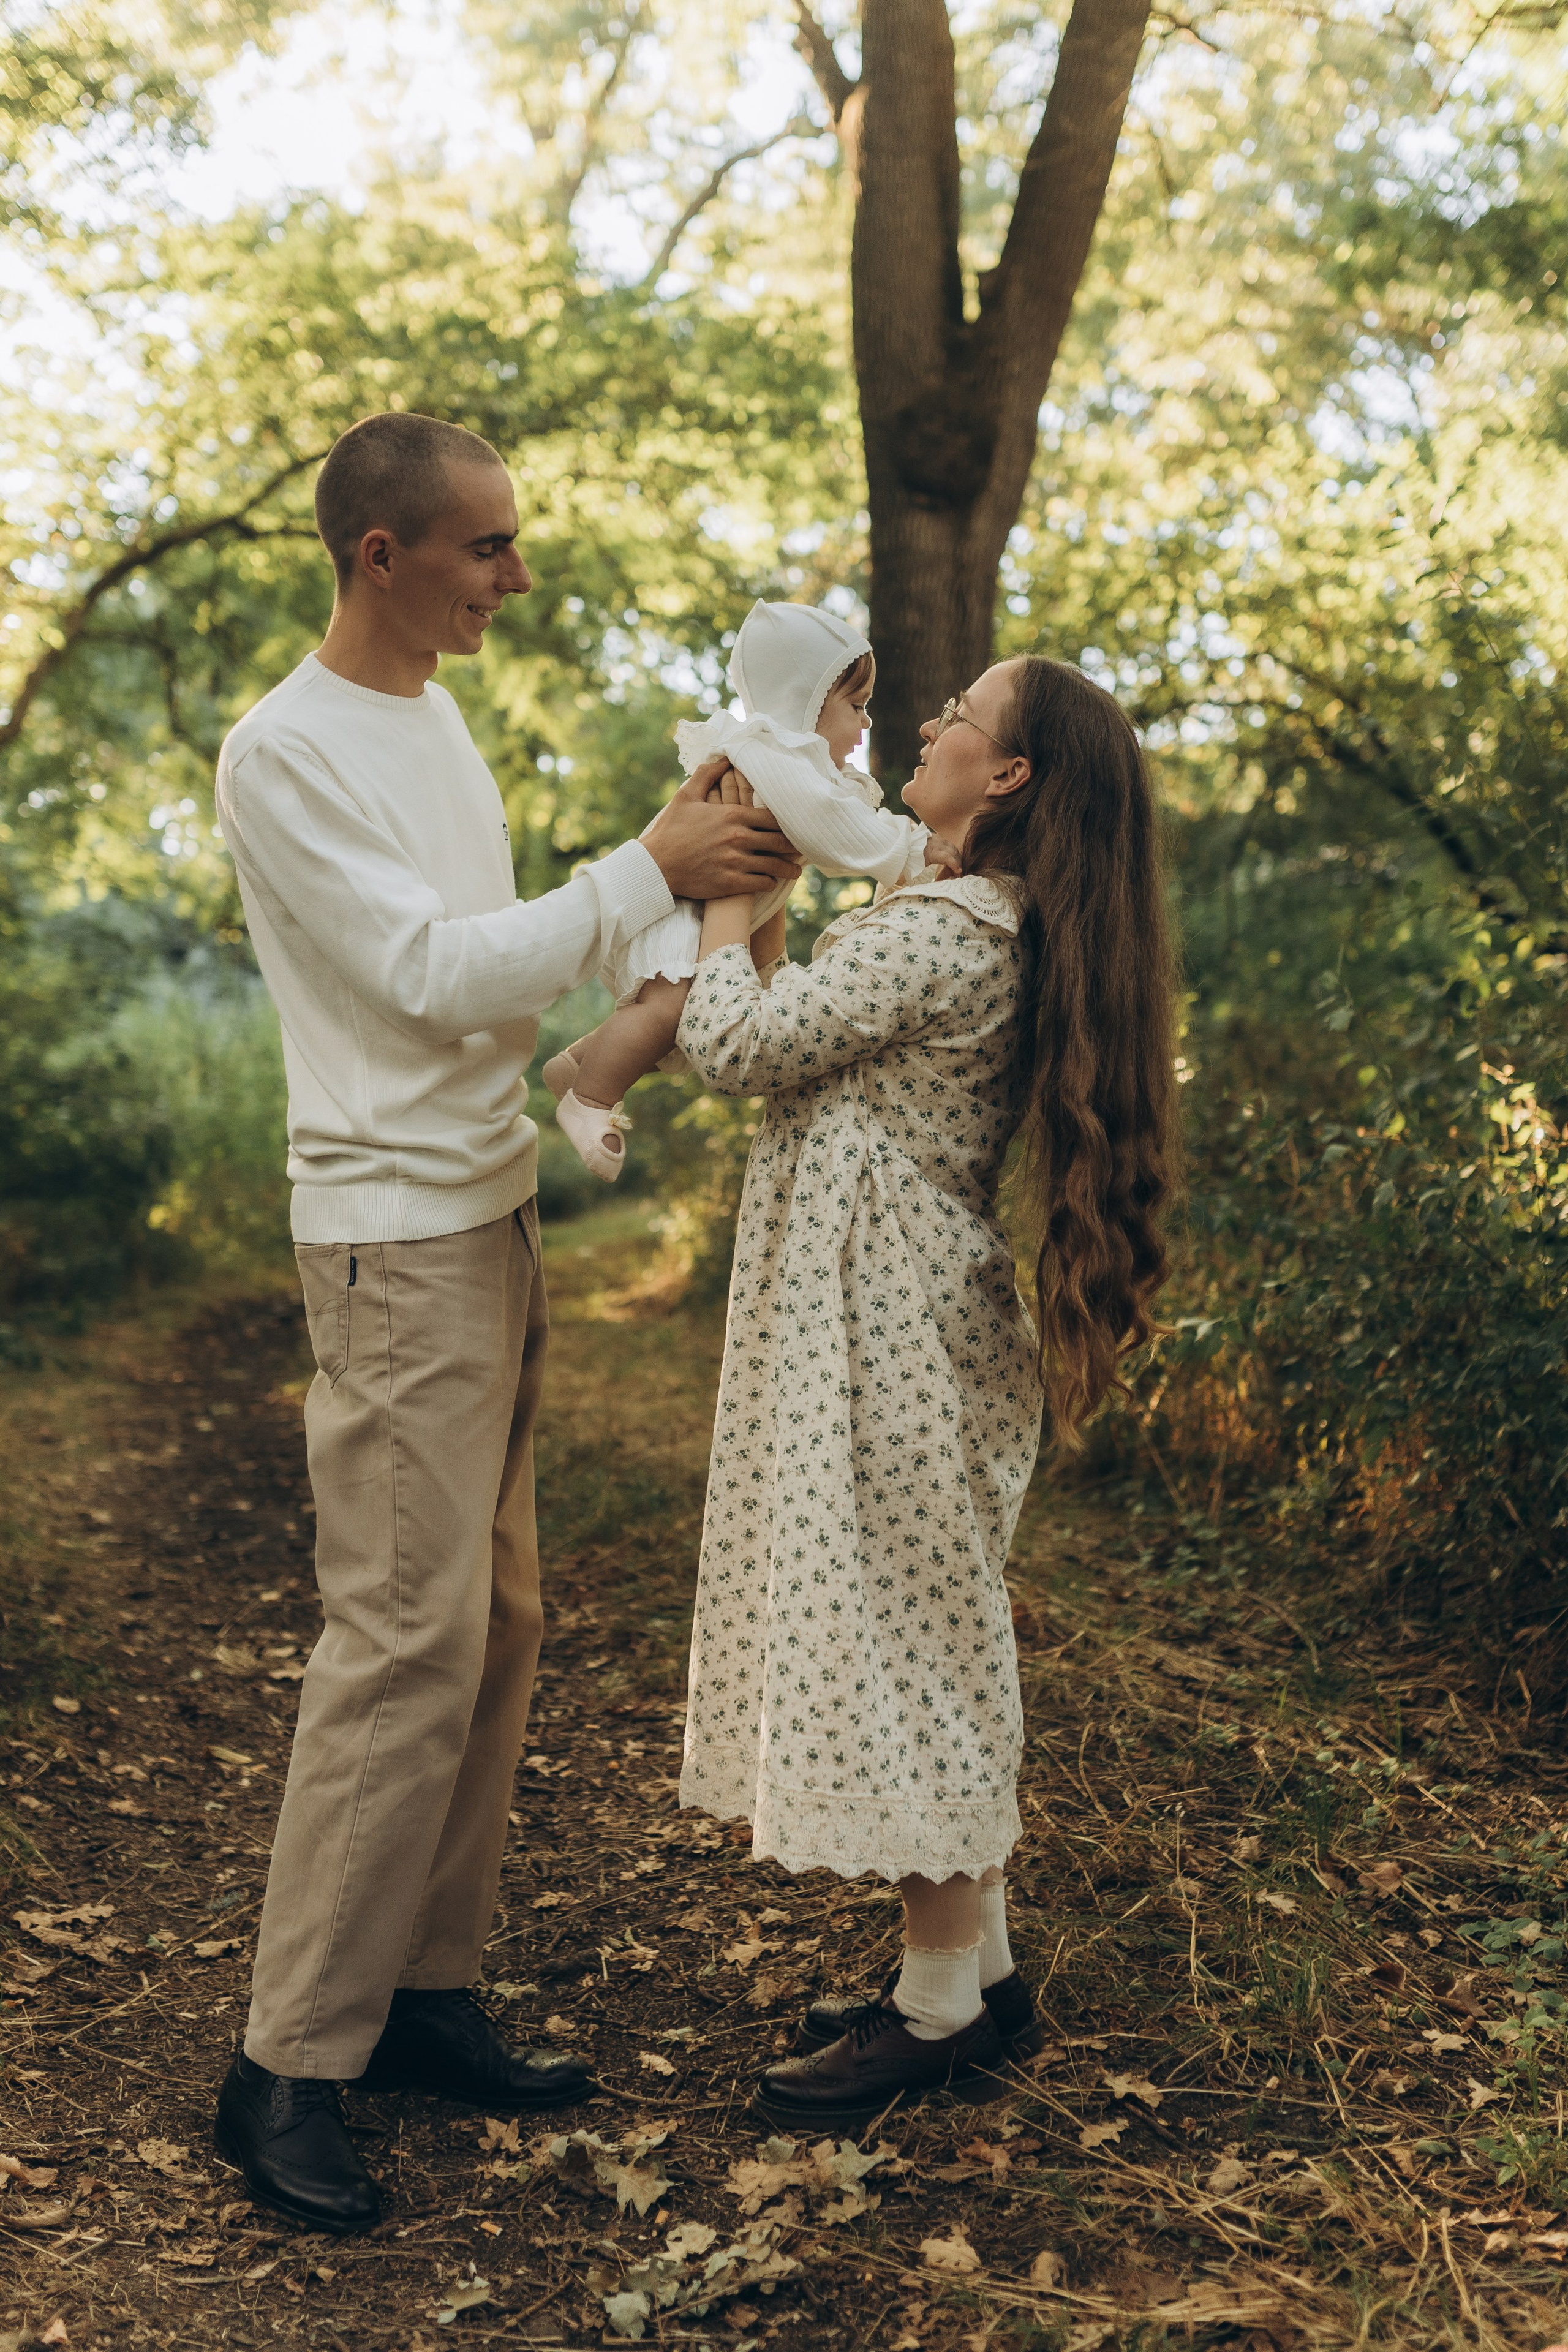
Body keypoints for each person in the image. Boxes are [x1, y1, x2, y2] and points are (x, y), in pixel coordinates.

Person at [209, 410, 800, 2233]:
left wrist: (669, 915)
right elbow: (422, 975)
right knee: (399, 1638)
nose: (514, 577)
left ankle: (415, 1991)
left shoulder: (435, 715)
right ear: (381, 553)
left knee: (501, 1619)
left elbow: (496, 972)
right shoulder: (282, 751)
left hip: (488, 1212)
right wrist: (638, 864)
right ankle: (284, 2061)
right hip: (392, 1239)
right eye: (485, 547)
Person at [676, 655, 1180, 2126]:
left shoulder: (952, 932)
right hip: (900, 1317)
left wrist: (717, 881)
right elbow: (800, 1053)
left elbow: (733, 1042)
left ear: (1008, 774)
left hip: (890, 1328)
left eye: (957, 715)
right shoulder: (973, 919)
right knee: (923, 1630)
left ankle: (939, 2000)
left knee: (911, 1647)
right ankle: (983, 1969)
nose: (929, 728)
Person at [544, 600, 939, 1180]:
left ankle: (578, 1063)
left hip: (702, 908)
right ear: (805, 704)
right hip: (678, 911)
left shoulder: (790, 763)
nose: (867, 722)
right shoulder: (775, 755)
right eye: (856, 705)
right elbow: (839, 833)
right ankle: (590, 1101)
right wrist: (912, 852)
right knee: (674, 1007)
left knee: (673, 1016)